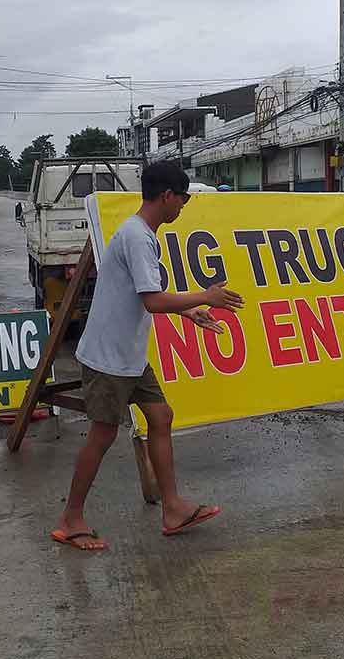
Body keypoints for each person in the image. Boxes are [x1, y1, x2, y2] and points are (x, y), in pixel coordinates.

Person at [52, 160, 244, 552]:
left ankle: (173, 508)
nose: (184, 207)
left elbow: (142, 293)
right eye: (184, 198)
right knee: (102, 436)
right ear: (167, 195)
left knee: (161, 416)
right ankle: (71, 519)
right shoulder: (138, 237)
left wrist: (190, 311)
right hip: (109, 357)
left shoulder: (140, 234)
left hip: (129, 353)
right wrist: (206, 296)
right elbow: (153, 301)